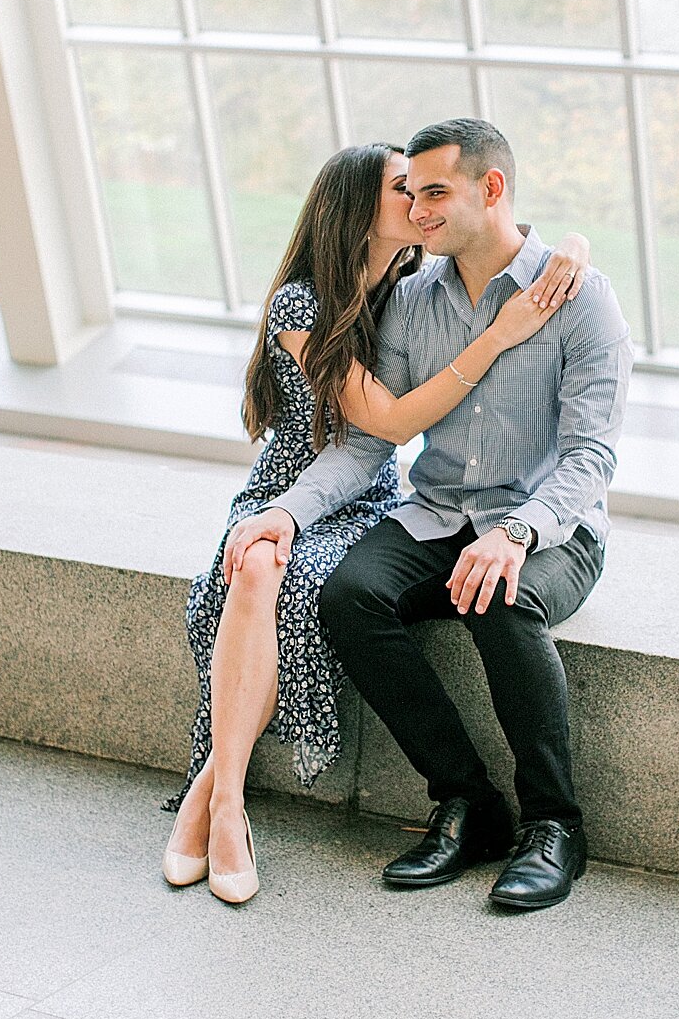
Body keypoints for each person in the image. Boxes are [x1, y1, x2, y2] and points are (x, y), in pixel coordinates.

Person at [162, 140, 592, 903]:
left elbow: (590, 454)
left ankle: (553, 826)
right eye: (409, 194)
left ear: (487, 189)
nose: (421, 211)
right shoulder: (406, 296)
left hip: (542, 524)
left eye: (433, 195)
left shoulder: (573, 293)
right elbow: (374, 436)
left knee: (496, 596)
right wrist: (284, 513)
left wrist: (517, 531)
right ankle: (465, 802)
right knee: (344, 594)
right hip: (407, 505)